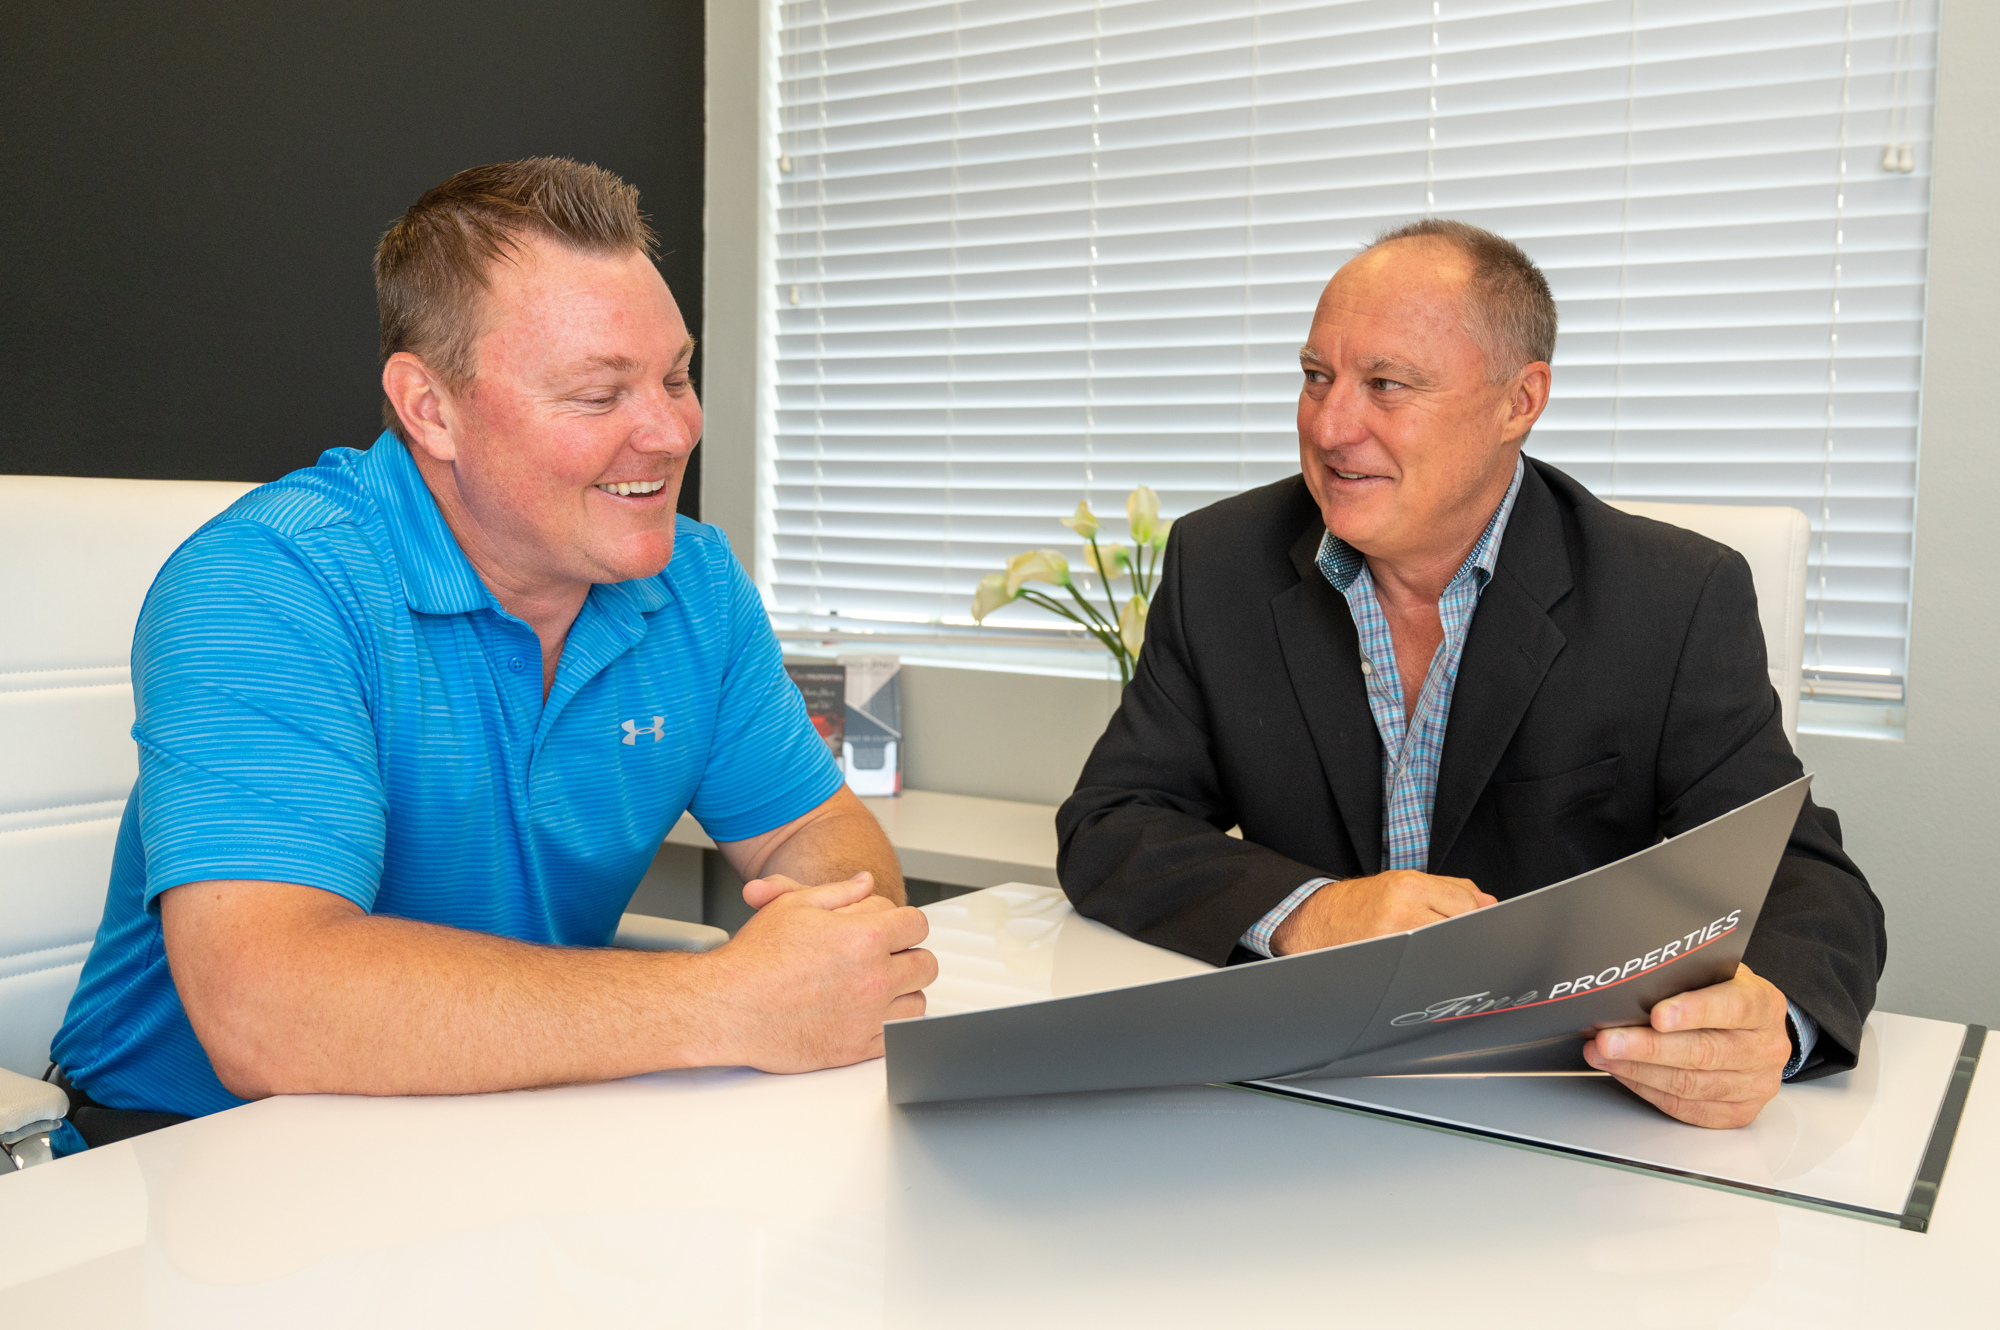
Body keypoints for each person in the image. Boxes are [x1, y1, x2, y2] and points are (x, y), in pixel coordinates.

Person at [50, 158, 934, 1136]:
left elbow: (817, 837)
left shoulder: (694, 582)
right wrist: (725, 1002)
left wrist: (824, 947)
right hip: (193, 1148)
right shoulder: (267, 582)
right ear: (431, 410)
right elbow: (269, 1015)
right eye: (600, 395)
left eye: (676, 376)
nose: (673, 429)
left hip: (511, 1124)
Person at [1056, 219, 1885, 1130]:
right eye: (1315, 377)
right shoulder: (1224, 561)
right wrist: (1313, 912)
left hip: (1569, 1120)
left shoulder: (1673, 598)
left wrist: (1776, 1026)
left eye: (1387, 385)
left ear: (1518, 402)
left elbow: (1808, 884)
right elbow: (1112, 822)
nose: (1331, 426)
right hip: (1296, 1100)